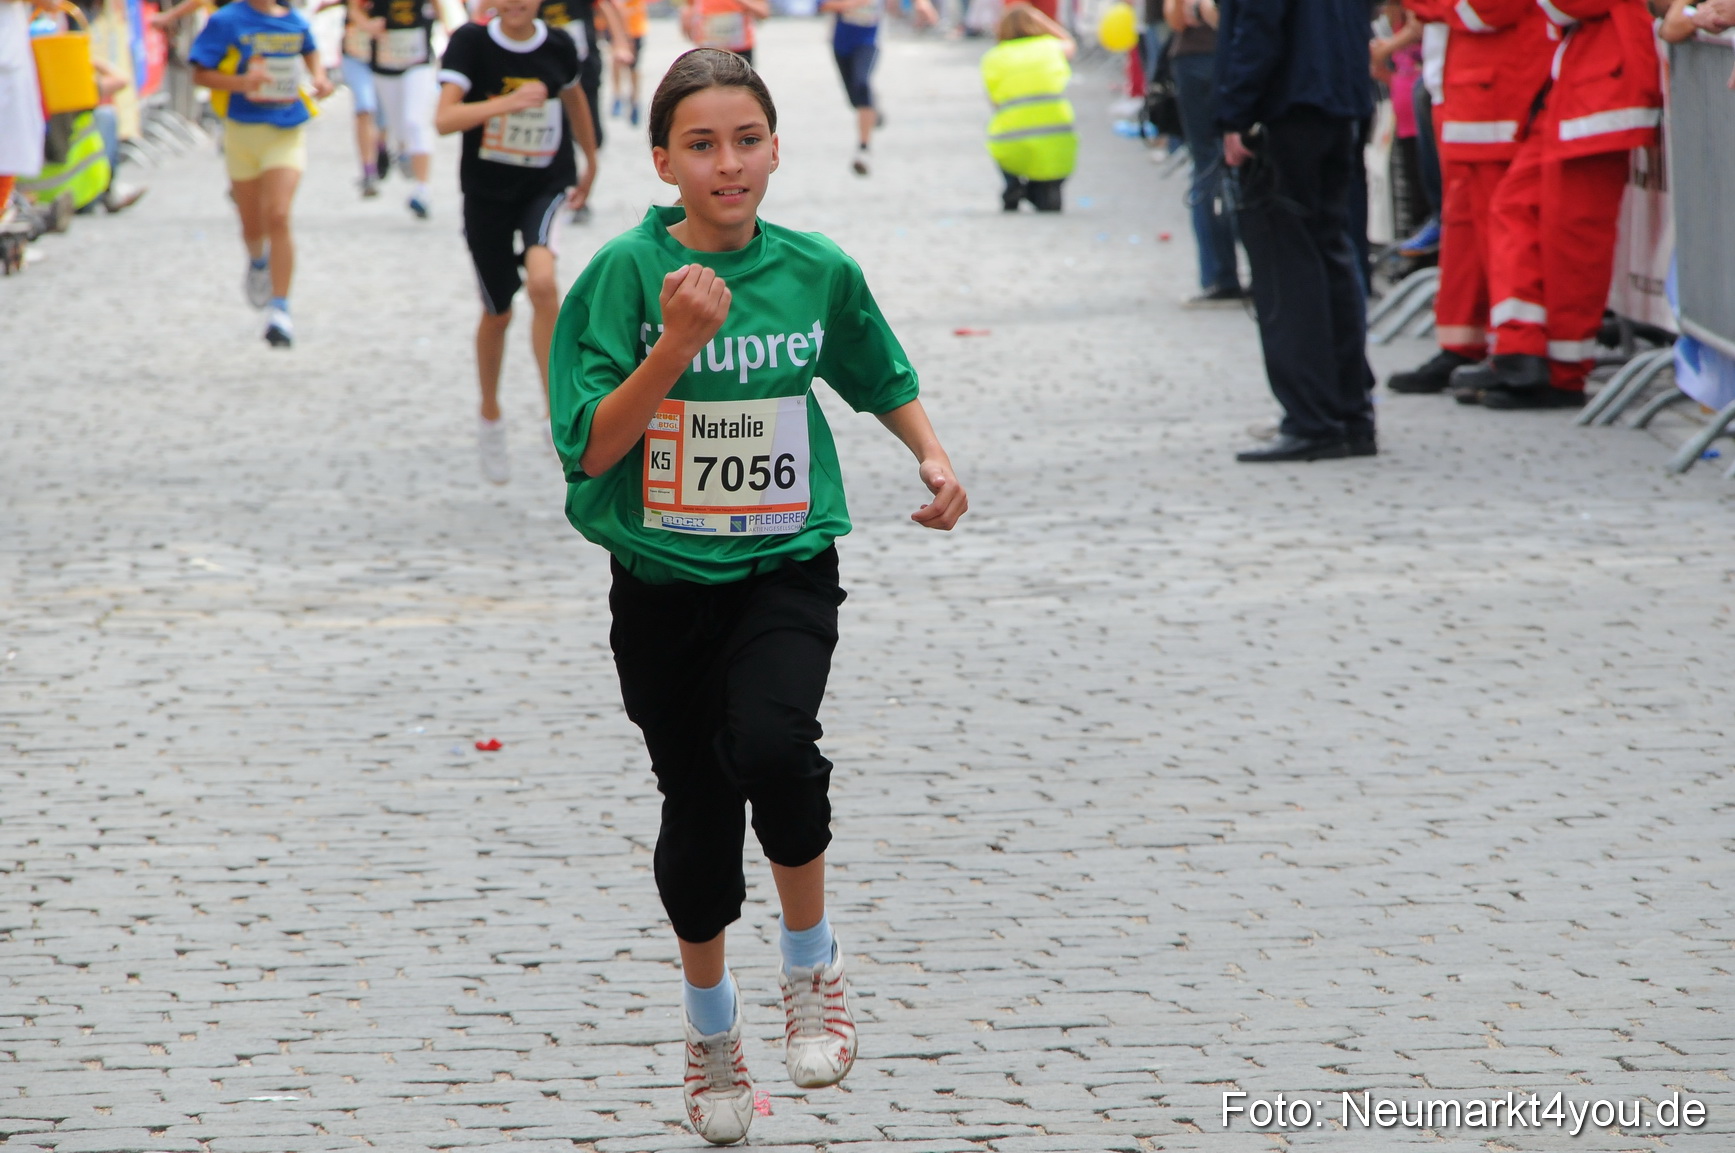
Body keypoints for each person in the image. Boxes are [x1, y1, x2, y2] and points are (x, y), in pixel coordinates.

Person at [547, 48, 967, 1146]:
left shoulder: (815, 266)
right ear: (663, 160)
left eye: (745, 140)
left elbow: (875, 370)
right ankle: (710, 1033)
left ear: (776, 148)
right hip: (662, 580)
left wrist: (929, 456)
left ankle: (810, 966)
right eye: (701, 144)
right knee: (697, 807)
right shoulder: (624, 281)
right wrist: (676, 346)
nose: (726, 163)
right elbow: (589, 448)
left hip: (785, 560)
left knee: (775, 745)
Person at [1447, 0, 1660, 408]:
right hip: (1582, 84)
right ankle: (1521, 350)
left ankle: (1561, 372)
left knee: (1573, 237)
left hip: (1603, 85)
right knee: (1520, 211)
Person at [436, 0, 597, 483]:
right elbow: (444, 120)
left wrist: (591, 159)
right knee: (498, 312)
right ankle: (490, 414)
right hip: (486, 194)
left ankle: (556, 415)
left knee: (544, 283)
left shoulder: (560, 44)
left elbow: (575, 99)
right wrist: (506, 103)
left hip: (545, 184)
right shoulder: (471, 43)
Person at [1217, 0, 1376, 461]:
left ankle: (1313, 417)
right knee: (1331, 253)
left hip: (1286, 103)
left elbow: (1259, 25)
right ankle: (1350, 412)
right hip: (1338, 100)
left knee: (1287, 266)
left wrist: (1235, 113)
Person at [1386, 0, 1549, 395]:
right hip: (1462, 88)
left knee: (1498, 227)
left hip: (1494, 88)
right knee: (1462, 230)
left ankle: (1510, 349)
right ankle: (1464, 345)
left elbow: (1490, 9)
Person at [189, 0, 334, 348]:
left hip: (286, 130)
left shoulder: (294, 20)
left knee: (279, 216)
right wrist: (242, 82)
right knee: (252, 225)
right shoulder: (227, 20)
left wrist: (319, 76)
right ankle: (258, 262)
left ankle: (280, 309)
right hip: (242, 133)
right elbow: (199, 73)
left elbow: (311, 50)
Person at [1162, 0, 1240, 304]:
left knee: (1209, 166)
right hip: (1232, 57)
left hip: (1200, 60)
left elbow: (1177, 19)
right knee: (1231, 166)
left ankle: (1220, 274)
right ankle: (1237, 272)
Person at [818, 0, 934, 176]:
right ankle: (873, 110)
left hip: (869, 41)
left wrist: (922, 4)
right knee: (855, 101)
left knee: (862, 84)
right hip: (841, 43)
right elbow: (822, 6)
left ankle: (863, 149)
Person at [979, 2, 1073, 212]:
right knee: (1051, 166)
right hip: (1058, 136)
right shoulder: (1050, 47)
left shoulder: (993, 57)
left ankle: (1013, 183)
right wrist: (1042, 20)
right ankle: (1045, 187)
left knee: (1000, 133)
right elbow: (1069, 41)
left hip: (1011, 141)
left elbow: (995, 104)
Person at [364, 0, 447, 216]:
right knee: (399, 127)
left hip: (418, 63)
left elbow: (441, 10)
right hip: (385, 65)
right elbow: (354, 8)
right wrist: (367, 24)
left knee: (415, 121)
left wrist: (448, 32)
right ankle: (403, 149)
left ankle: (422, 189)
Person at [682, 0, 767, 68]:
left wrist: (743, 2)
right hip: (710, 49)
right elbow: (689, 8)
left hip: (740, 49)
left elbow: (763, 12)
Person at [605, 0, 644, 122]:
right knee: (616, 61)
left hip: (634, 27)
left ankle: (634, 99)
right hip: (615, 27)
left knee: (633, 65)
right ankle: (617, 95)